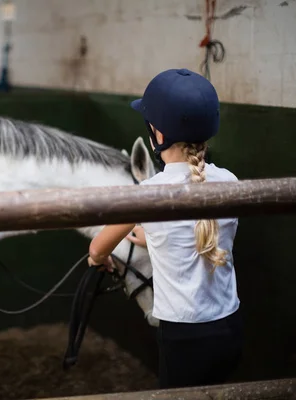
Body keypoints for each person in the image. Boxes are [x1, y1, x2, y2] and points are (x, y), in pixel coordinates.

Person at [88, 68, 243, 389]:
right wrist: (151, 238)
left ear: (157, 135)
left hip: (183, 336)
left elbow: (98, 247)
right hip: (230, 327)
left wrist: (98, 258)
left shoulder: (148, 194)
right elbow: (197, 231)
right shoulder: (229, 182)